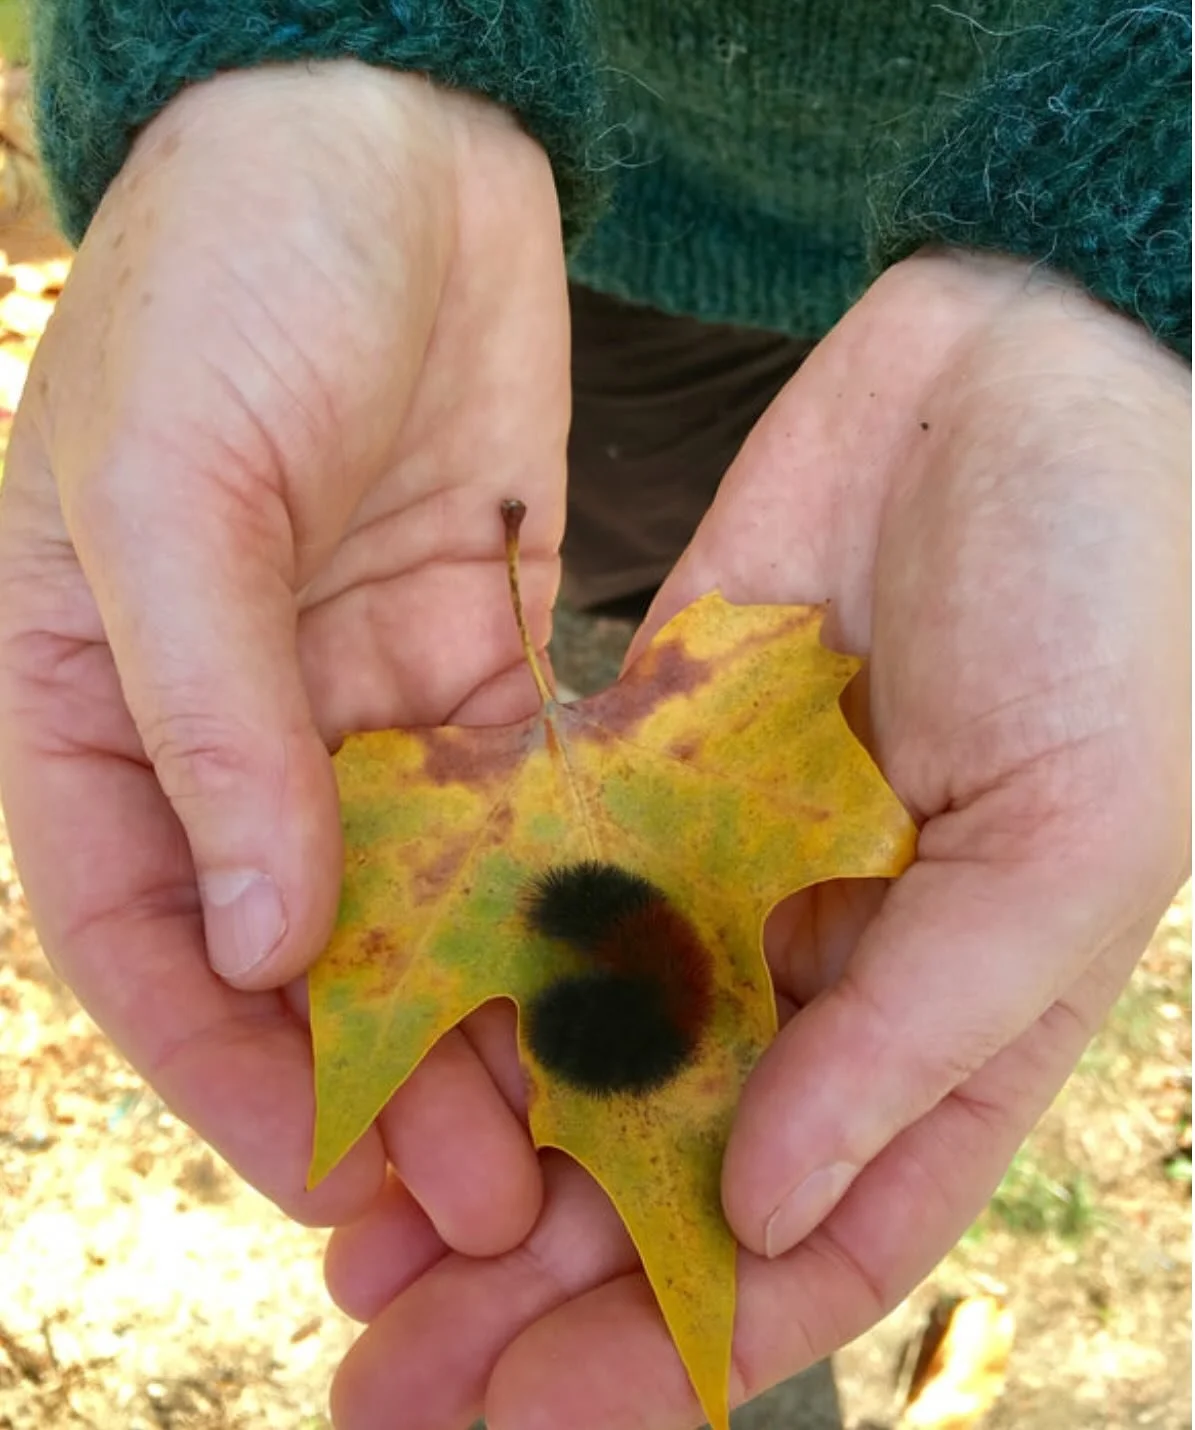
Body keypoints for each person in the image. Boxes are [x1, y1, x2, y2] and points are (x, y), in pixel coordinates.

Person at [0, 2, 1188, 1427]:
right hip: (505, 245)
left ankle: (709, 1330)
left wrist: (1155, 230)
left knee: (783, 798)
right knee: (530, 623)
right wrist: (298, 44)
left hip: (1033, 291)